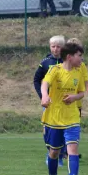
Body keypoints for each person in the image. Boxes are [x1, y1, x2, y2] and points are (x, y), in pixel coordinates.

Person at [40, 42, 86, 175]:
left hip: (72, 117)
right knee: (54, 152)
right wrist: (45, 96)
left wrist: (74, 97)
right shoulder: (55, 70)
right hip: (54, 118)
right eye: (79, 56)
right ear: (69, 57)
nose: (81, 59)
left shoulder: (79, 72)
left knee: (73, 149)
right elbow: (44, 83)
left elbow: (81, 93)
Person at [34, 35, 66, 166]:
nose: (56, 49)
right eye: (53, 46)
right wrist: (43, 96)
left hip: (64, 103)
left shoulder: (68, 62)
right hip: (49, 103)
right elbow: (36, 80)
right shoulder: (46, 62)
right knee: (48, 130)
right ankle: (50, 153)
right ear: (50, 47)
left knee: (63, 129)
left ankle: (60, 157)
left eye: (58, 46)